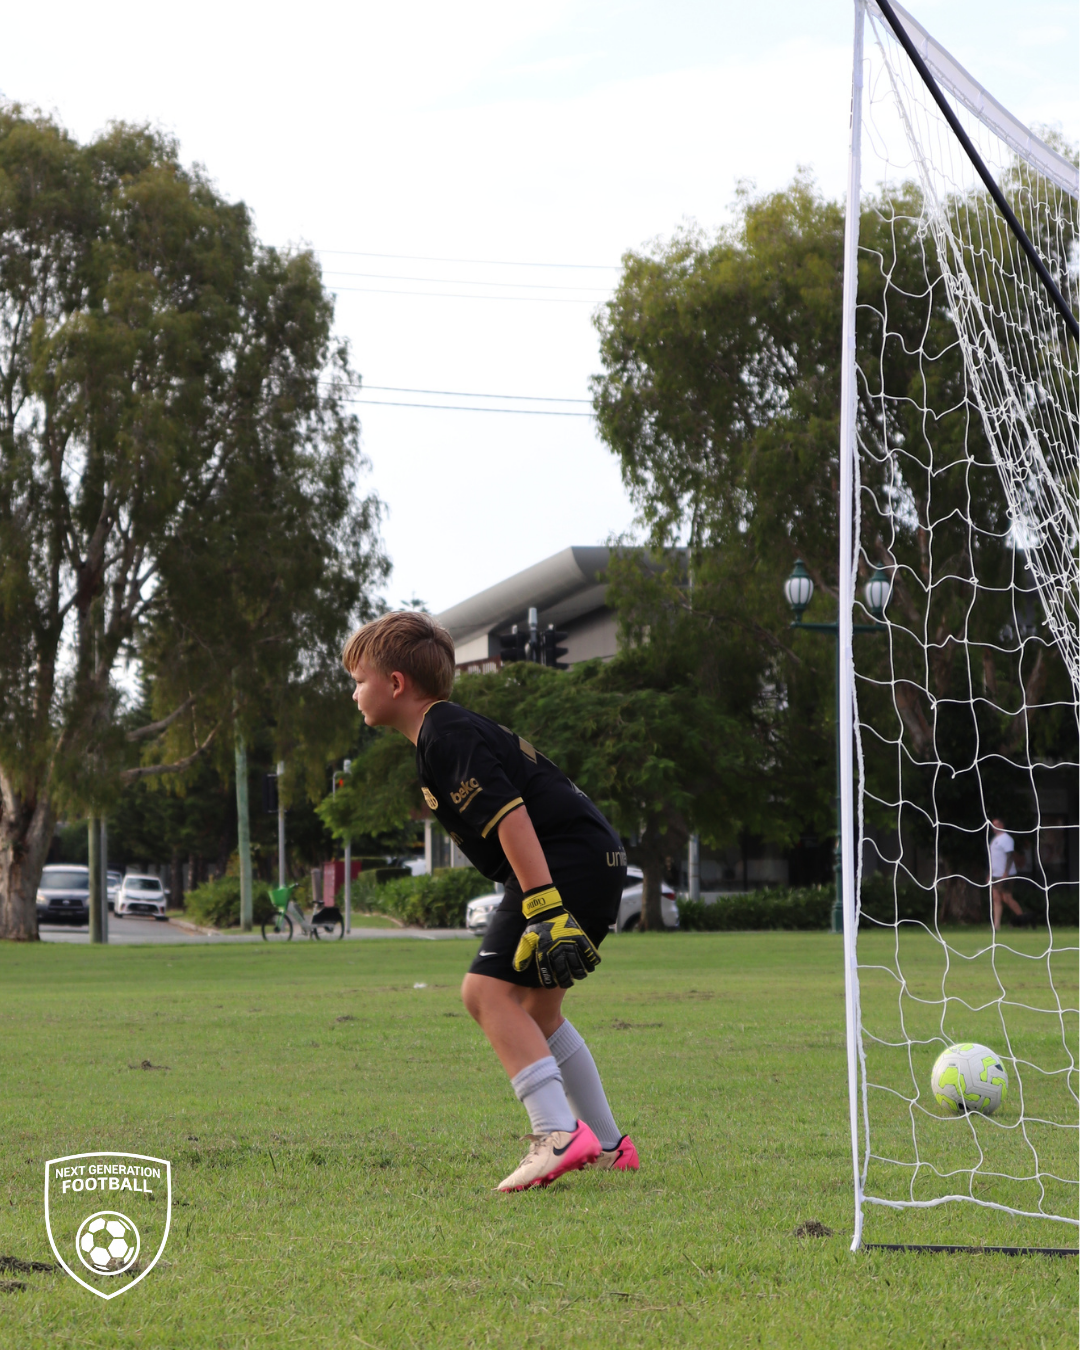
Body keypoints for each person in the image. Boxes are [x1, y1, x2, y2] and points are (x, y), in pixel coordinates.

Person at [342, 611, 638, 1191]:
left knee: (484, 993)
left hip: (562, 864)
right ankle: (607, 1144)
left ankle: (555, 1133)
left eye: (359, 680)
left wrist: (544, 905)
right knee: (539, 1012)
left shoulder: (444, 733)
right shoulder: (440, 733)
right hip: (587, 858)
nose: (354, 694)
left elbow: (513, 817)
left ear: (396, 683)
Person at [989, 818, 1024, 930]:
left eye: (996, 824)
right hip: (995, 874)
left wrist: (1006, 872)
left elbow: (1010, 856)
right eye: (993, 825)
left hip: (1005, 874)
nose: (994, 827)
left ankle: (1023, 920)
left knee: (1007, 898)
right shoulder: (995, 839)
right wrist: (990, 873)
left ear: (1002, 825)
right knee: (996, 898)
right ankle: (996, 925)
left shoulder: (1006, 839)